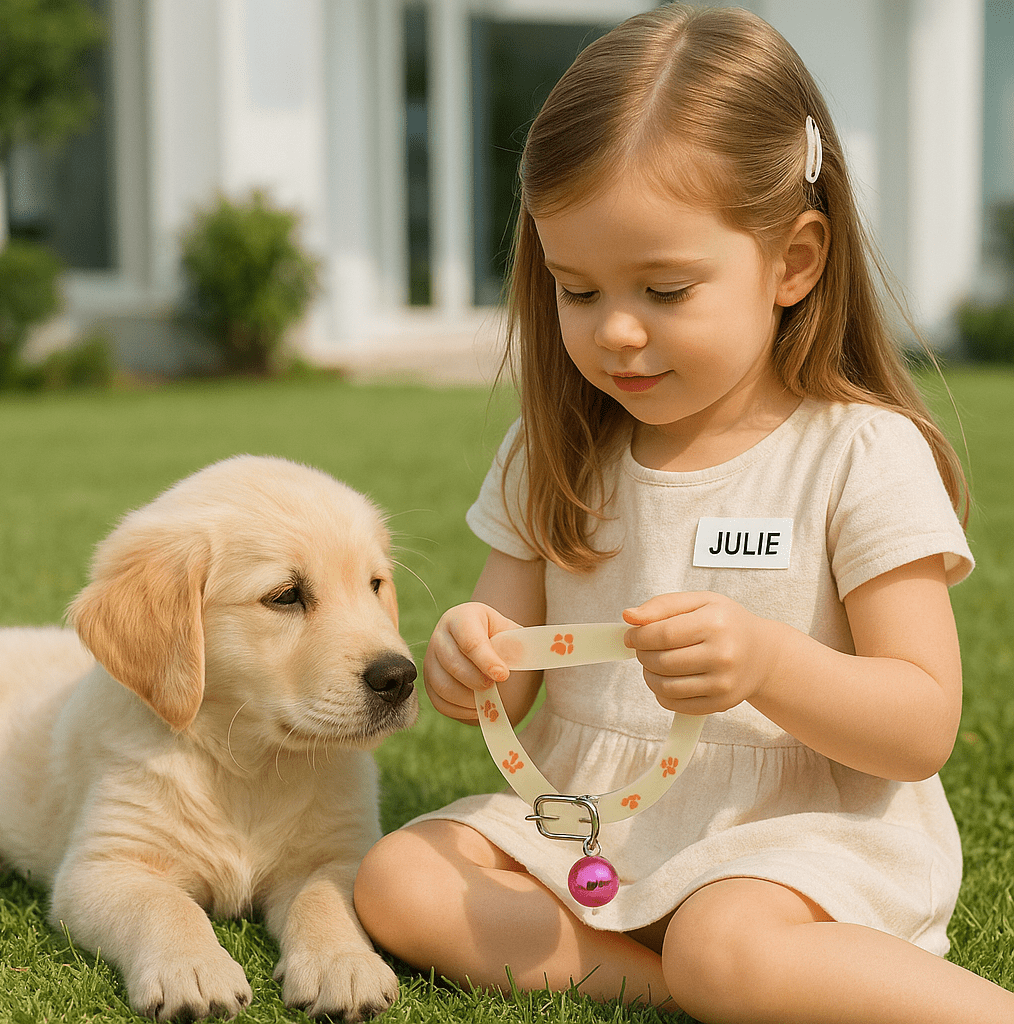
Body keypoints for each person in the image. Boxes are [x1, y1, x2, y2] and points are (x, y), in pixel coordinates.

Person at [354, 5, 1014, 1021]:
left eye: (665, 289)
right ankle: (684, 988)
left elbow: (920, 724)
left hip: (788, 834)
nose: (616, 332)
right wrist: (467, 653)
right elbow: (509, 671)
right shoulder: (552, 450)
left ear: (793, 262)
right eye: (577, 291)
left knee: (724, 936)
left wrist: (767, 662)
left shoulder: (857, 452)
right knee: (399, 878)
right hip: (589, 817)